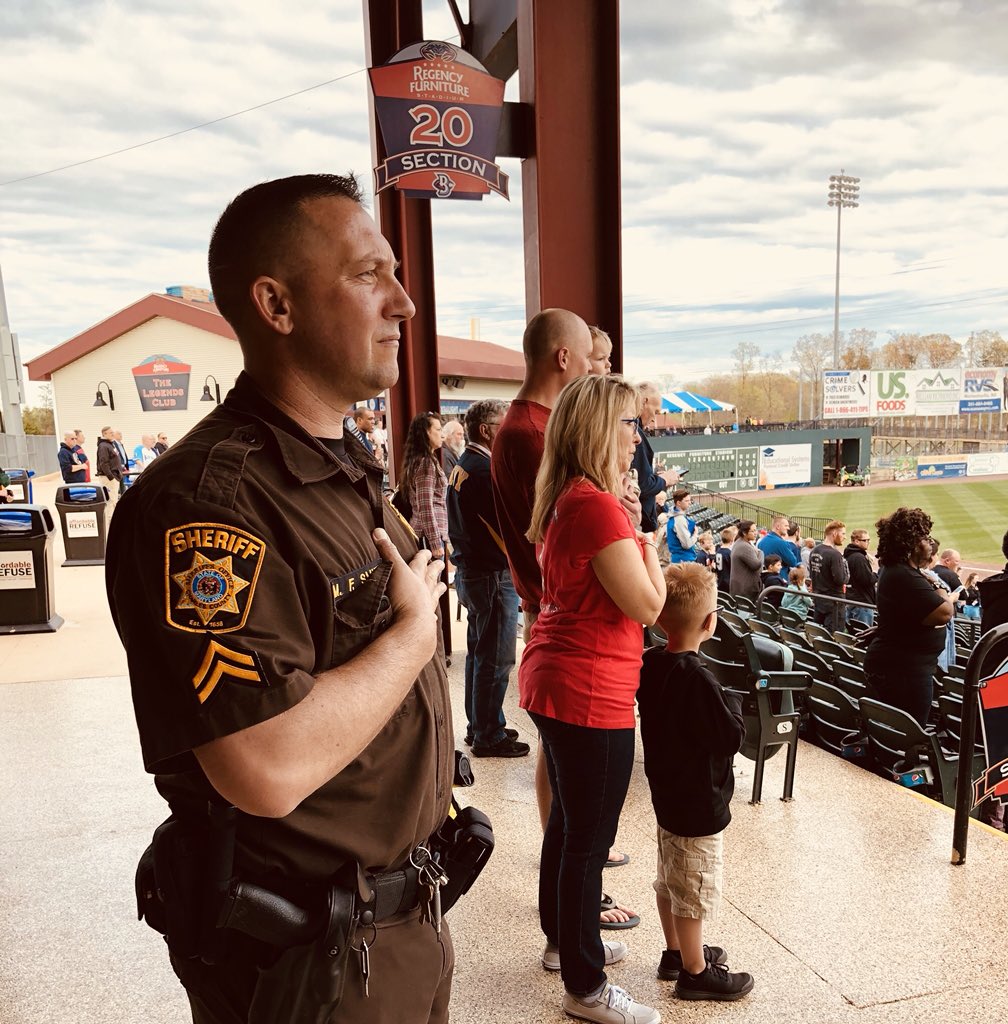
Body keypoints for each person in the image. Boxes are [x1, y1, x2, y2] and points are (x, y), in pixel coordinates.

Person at [105, 174, 456, 1023]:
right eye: (369, 275)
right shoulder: (210, 505)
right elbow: (265, 765)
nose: (402, 304)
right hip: (310, 963)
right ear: (277, 304)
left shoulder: (342, 469)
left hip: (393, 925)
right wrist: (412, 636)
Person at [520, 374, 665, 1024]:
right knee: (589, 837)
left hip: (556, 679)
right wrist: (649, 544)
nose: (637, 436)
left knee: (571, 826)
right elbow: (649, 605)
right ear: (601, 431)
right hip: (587, 689)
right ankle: (586, 986)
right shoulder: (600, 507)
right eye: (629, 424)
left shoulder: (571, 497)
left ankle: (565, 943)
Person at [490, 308, 639, 920]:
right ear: (563, 359)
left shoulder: (529, 428)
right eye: (590, 359)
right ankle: (576, 918)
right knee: (580, 815)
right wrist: (629, 528)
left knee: (572, 797)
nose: (595, 368)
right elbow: (642, 598)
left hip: (555, 613)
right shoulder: (530, 432)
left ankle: (569, 909)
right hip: (568, 624)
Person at [638, 563, 754, 1002]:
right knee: (694, 889)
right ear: (710, 622)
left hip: (667, 796)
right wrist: (735, 703)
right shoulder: (700, 679)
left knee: (670, 879)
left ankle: (674, 952)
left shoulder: (651, 663)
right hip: (699, 805)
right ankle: (694, 971)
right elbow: (730, 738)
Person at [446, 399, 527, 758]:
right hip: (492, 574)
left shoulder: (464, 465)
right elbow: (509, 526)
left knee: (480, 653)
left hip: (472, 571)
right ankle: (488, 734)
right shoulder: (483, 469)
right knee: (496, 657)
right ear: (485, 429)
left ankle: (479, 723)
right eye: (502, 423)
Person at [864, 508, 955, 727]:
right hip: (903, 673)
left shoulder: (898, 570)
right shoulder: (903, 575)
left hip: (900, 668)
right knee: (908, 735)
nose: (929, 544)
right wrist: (939, 586)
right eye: (925, 538)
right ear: (911, 543)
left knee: (899, 733)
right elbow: (945, 612)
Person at [631, 382, 679, 533]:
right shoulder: (634, 432)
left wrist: (659, 479)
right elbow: (642, 486)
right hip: (639, 524)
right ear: (644, 402)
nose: (654, 419)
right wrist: (665, 480)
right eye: (655, 411)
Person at [400, 412, 448, 560]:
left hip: (426, 534)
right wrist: (435, 542)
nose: (442, 434)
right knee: (430, 580)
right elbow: (425, 505)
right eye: (438, 429)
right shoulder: (426, 463)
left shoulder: (420, 461)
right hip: (427, 537)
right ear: (427, 432)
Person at [808, 521, 849, 634]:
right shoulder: (834, 554)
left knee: (818, 634)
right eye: (843, 533)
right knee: (834, 637)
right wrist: (846, 573)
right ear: (834, 533)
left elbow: (812, 574)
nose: (845, 537)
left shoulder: (815, 550)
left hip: (819, 600)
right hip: (834, 603)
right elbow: (840, 580)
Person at [843, 528, 878, 628]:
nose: (868, 542)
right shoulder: (858, 558)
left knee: (853, 631)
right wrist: (876, 575)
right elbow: (866, 580)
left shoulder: (849, 554)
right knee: (862, 632)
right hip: (862, 601)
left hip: (852, 597)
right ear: (856, 541)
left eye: (868, 540)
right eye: (865, 540)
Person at [756, 516, 800, 582]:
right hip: (779, 581)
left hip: (765, 579)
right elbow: (793, 562)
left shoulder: (762, 541)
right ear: (778, 527)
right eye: (786, 526)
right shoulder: (781, 543)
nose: (788, 528)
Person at [728, 520, 763, 601]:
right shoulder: (744, 546)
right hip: (745, 591)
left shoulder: (740, 542)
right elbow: (757, 566)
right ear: (744, 533)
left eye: (756, 530)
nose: (756, 533)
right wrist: (761, 553)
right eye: (753, 531)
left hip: (740, 589)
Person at [666, 489, 699, 563]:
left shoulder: (675, 517)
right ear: (678, 503)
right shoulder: (679, 520)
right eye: (686, 501)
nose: (689, 503)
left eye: (690, 500)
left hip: (680, 559)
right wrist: (695, 535)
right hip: (683, 560)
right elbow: (687, 544)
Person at [95, 426, 125, 507]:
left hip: (115, 477)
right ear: (104, 434)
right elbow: (104, 463)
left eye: (113, 432)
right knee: (110, 501)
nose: (113, 434)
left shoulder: (110, 444)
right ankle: (109, 519)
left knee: (114, 500)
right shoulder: (103, 446)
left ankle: (111, 518)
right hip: (108, 478)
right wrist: (111, 477)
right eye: (111, 433)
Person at [714, 526, 735, 593]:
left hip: (719, 580)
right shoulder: (729, 553)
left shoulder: (718, 551)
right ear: (732, 540)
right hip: (727, 582)